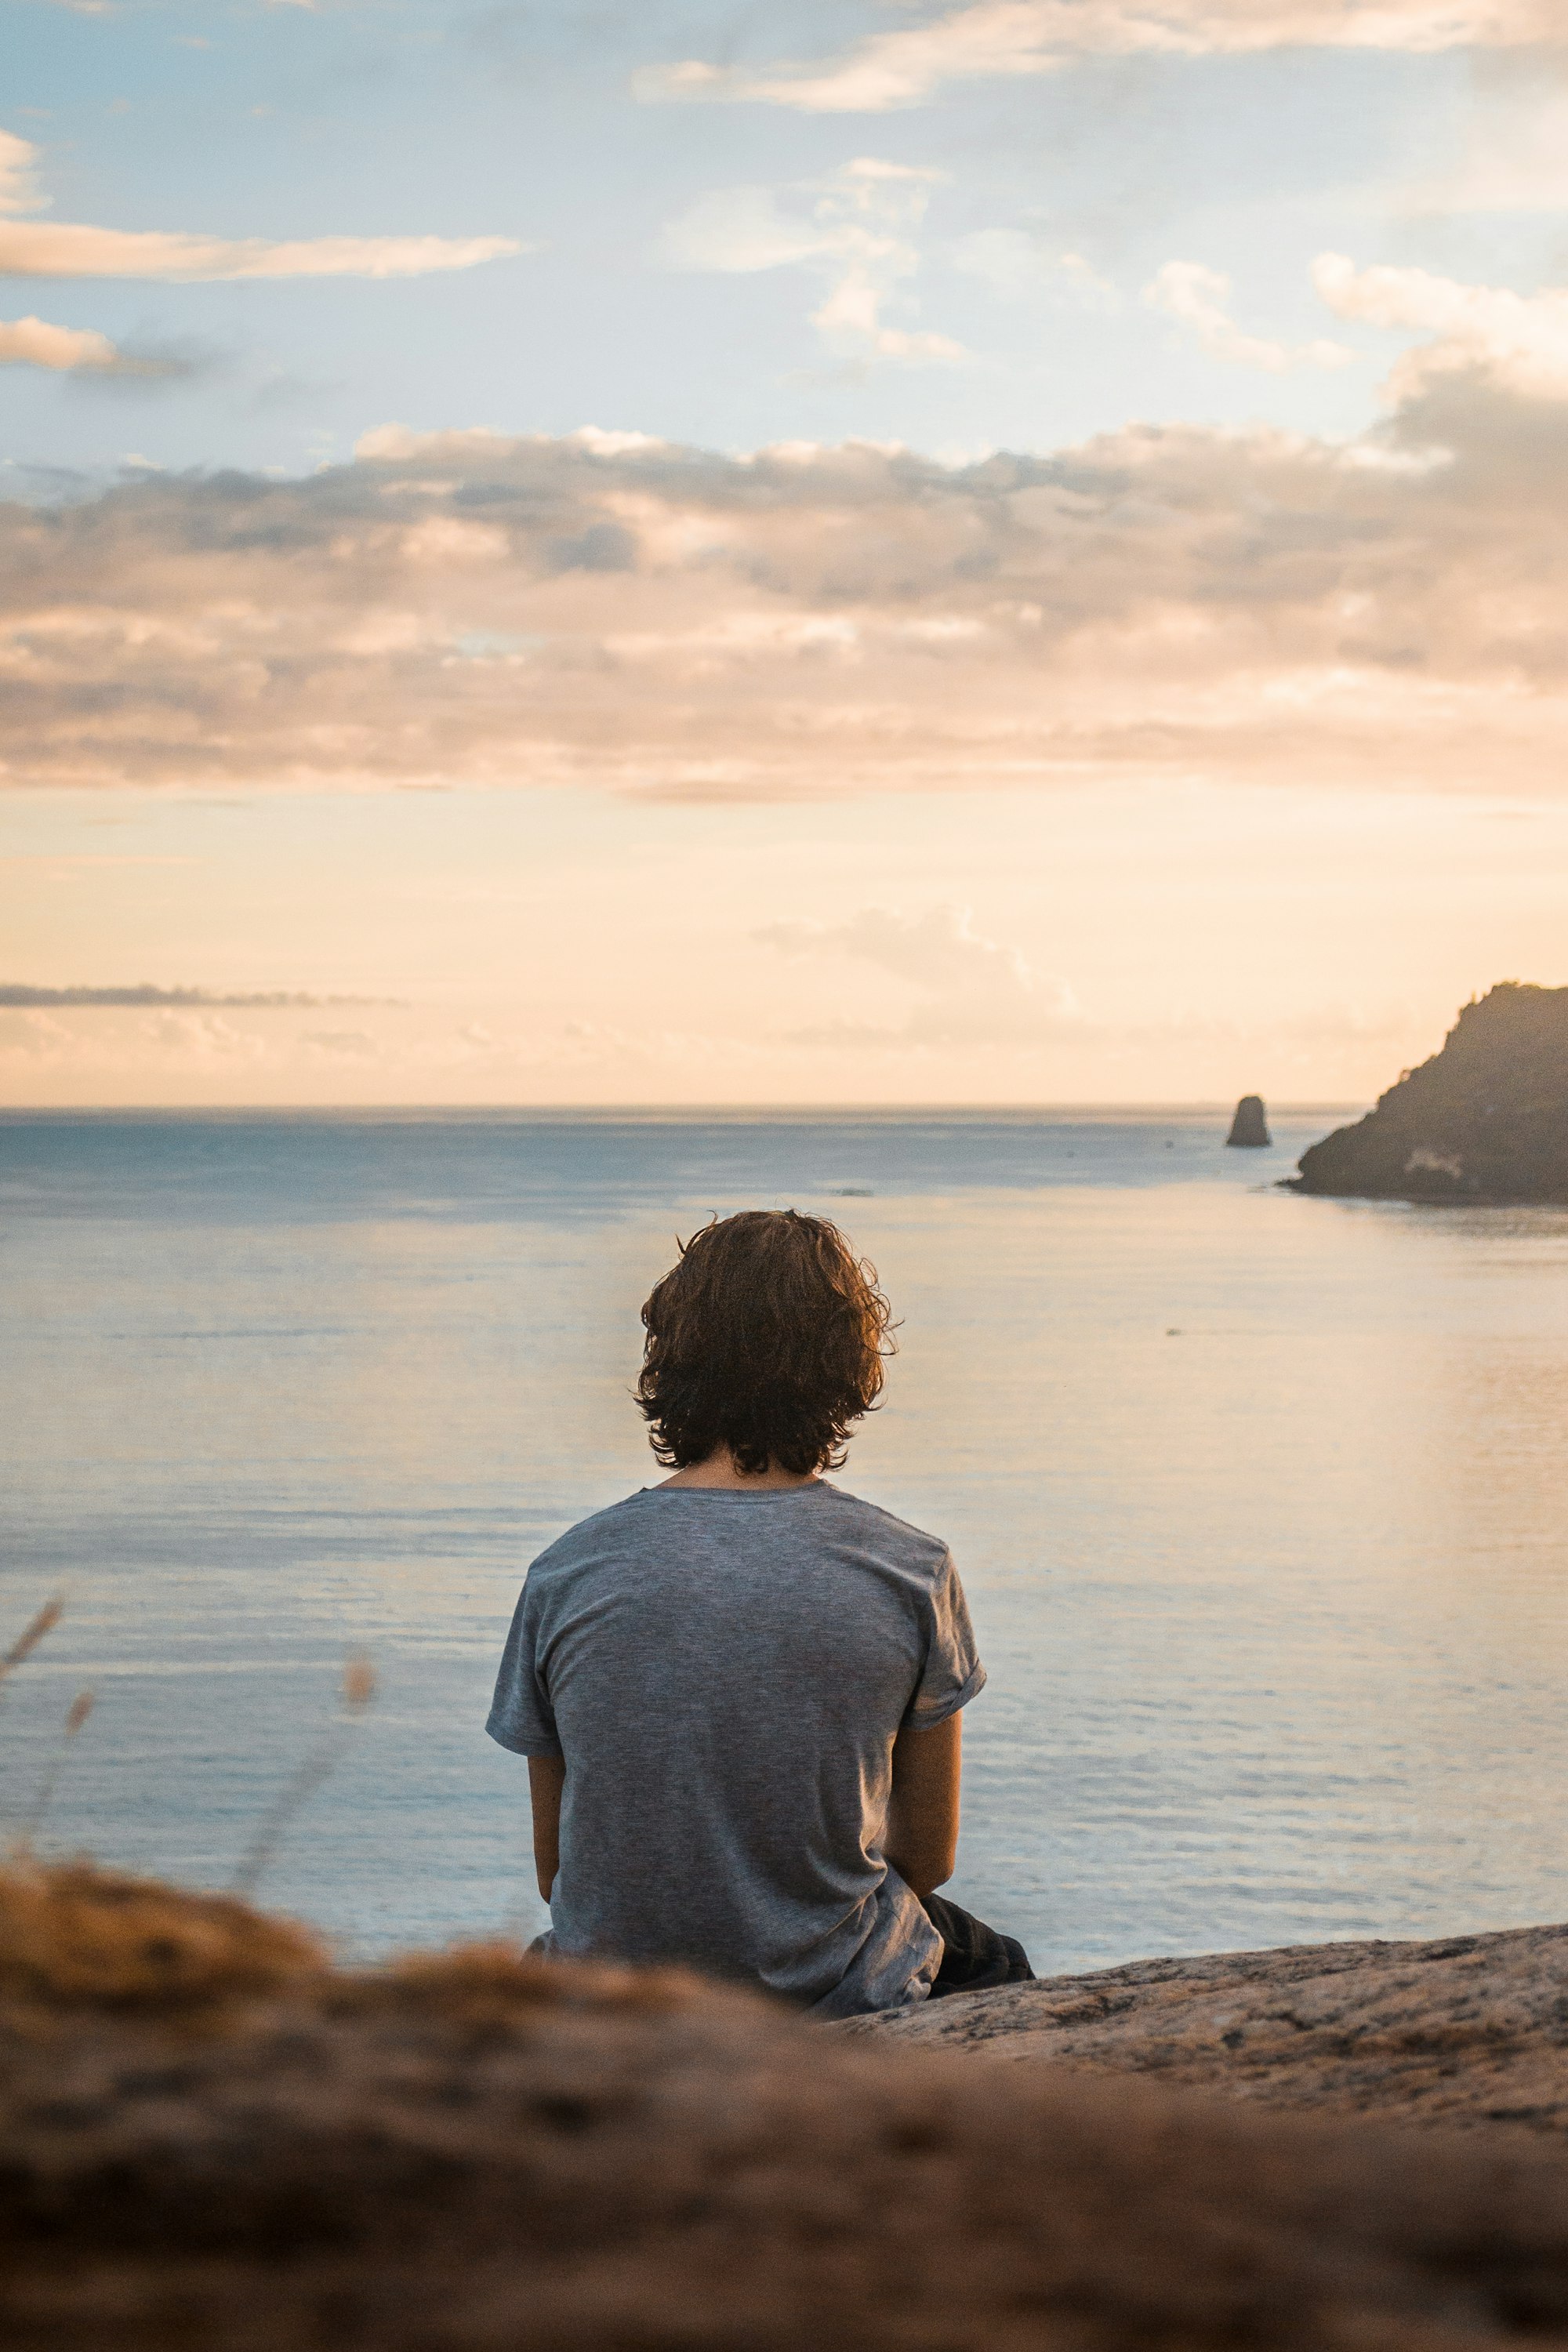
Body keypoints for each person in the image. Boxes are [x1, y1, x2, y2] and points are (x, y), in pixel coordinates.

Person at [486, 1207, 1033, 2016]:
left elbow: (556, 1873)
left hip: (609, 2001)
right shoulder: (908, 1568)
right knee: (996, 1968)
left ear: (672, 1361)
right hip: (831, 1992)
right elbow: (926, 1856)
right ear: (849, 1367)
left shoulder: (567, 1571)